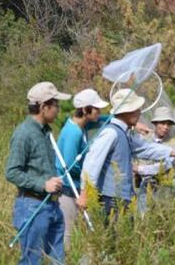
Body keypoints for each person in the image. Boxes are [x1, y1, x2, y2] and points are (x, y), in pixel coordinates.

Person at [78, 89, 175, 223]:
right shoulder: (111, 133)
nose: (139, 113)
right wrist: (85, 193)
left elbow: (146, 148)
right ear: (126, 112)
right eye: (136, 110)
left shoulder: (126, 133)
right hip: (110, 199)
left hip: (123, 198)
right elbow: (92, 162)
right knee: (113, 240)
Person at [5, 82, 71, 265]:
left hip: (52, 206)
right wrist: (43, 184)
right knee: (31, 261)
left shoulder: (46, 132)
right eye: (55, 105)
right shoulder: (24, 134)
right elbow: (11, 172)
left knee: (58, 260)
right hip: (32, 207)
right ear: (43, 107)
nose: (58, 109)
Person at [56, 89, 109, 246]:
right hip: (68, 188)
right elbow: (70, 165)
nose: (99, 112)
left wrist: (116, 117)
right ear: (85, 110)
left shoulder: (83, 126)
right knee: (68, 233)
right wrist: (89, 173)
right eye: (96, 109)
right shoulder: (74, 132)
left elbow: (103, 120)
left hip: (78, 187)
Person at [134, 106, 175, 213]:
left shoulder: (173, 143)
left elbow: (166, 165)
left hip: (164, 188)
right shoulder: (144, 139)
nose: (166, 127)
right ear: (155, 123)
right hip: (145, 188)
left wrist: (140, 169)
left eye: (168, 124)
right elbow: (137, 159)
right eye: (162, 123)